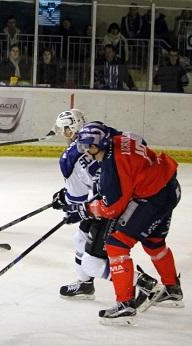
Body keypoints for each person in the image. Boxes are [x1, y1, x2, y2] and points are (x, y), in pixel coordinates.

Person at [64, 122, 183, 325]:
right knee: (154, 242)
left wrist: (87, 209)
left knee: (117, 244)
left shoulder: (112, 169)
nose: (84, 151)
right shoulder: (119, 138)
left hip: (152, 198)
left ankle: (125, 306)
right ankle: (172, 290)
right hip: (169, 187)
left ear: (95, 147)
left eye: (86, 147)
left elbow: (113, 209)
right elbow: (138, 141)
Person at [51, 111, 158, 305]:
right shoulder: (102, 133)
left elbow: (77, 201)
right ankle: (84, 284)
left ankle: (141, 282)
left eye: (65, 130)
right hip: (125, 196)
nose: (63, 134)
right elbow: (139, 140)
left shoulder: (69, 158)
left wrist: (64, 201)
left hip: (109, 204)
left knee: (92, 262)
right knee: (80, 238)